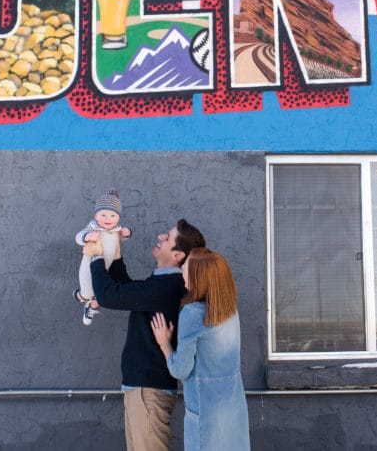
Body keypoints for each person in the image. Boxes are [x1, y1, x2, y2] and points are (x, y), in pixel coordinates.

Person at [84, 218, 206, 451]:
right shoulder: (162, 284)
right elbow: (128, 291)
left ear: (178, 255)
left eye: (167, 238)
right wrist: (115, 254)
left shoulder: (168, 286)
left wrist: (97, 256)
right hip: (143, 388)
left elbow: (111, 295)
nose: (160, 237)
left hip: (149, 391)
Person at [150, 248, 250, 451]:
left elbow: (180, 369)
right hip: (233, 408)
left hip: (205, 412)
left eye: (186, 267)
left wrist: (164, 343)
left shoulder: (192, 313)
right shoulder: (230, 310)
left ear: (198, 277)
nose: (182, 270)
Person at [73, 189, 132, 325]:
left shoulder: (116, 230)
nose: (108, 219)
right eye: (103, 215)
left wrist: (127, 233)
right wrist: (88, 236)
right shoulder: (93, 228)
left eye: (112, 216)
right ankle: (80, 295)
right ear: (96, 217)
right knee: (88, 293)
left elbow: (123, 238)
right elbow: (78, 237)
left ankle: (90, 307)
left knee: (102, 293)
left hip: (108, 267)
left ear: (118, 218)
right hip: (90, 265)